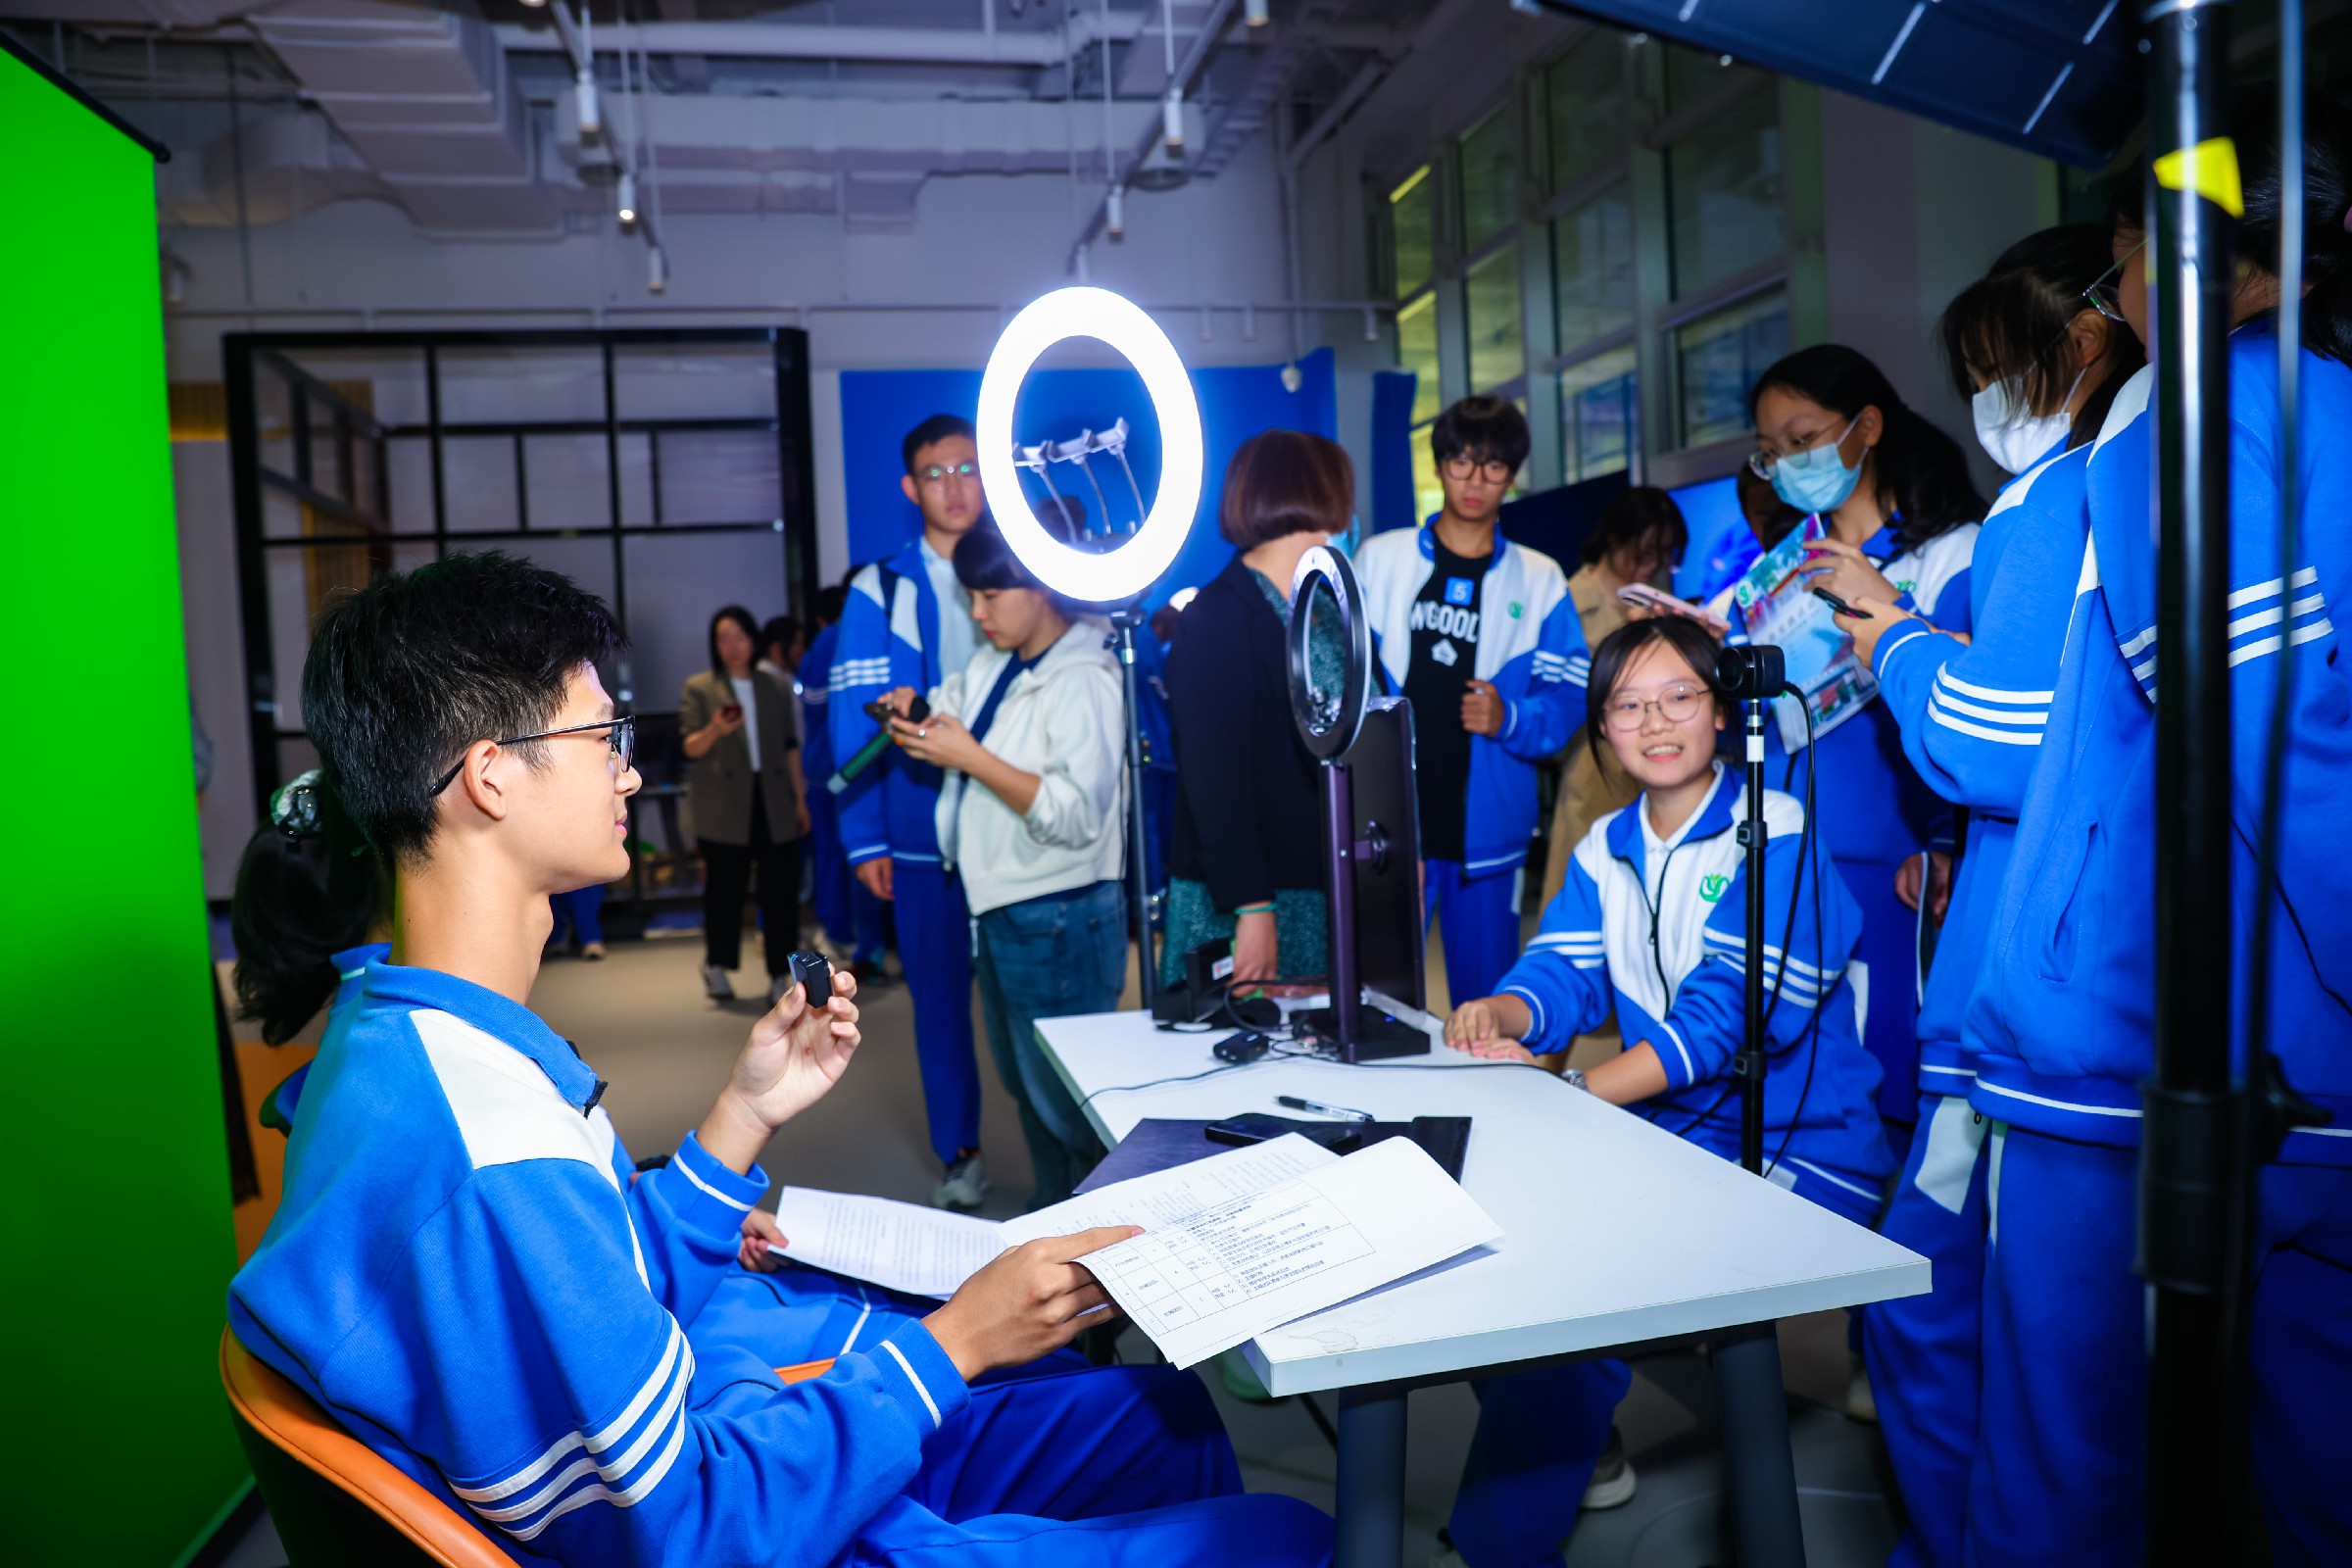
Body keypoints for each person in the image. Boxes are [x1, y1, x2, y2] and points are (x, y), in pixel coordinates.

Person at [227, 549, 1334, 1568]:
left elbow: (611, 1287)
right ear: (491, 778)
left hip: (741, 1466)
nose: (629, 774)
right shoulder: (491, 1150)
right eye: (603, 737)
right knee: (1284, 1536)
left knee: (1160, 1416)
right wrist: (957, 1342)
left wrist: (743, 1115)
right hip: (760, 1517)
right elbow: (699, 1528)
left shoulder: (404, 1042)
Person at [1915, 96, 2352, 1566]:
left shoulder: (2178, 428)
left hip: (2143, 1055)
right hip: (2313, 1071)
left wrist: (1900, 648)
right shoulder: (2329, 408)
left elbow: (2264, 732)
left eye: (2125, 259)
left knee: (2070, 1480)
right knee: (2314, 1484)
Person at [1439, 616, 1890, 1568]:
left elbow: (1726, 1022)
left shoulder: (1779, 829)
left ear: (1721, 711)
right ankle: (1571, 1451)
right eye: (1627, 705)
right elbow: (1564, 973)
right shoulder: (1606, 845)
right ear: (1601, 728)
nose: (1654, 722)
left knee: (1575, 1277)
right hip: (1672, 1126)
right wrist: (1500, 1010)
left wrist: (1574, 1092)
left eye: (1679, 696)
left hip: (1799, 1138)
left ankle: (1500, 1542)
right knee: (1491, 1237)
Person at [1848, 223, 2141, 1568]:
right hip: (2080, 977)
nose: (1982, 398)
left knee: (1964, 1323)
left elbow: (1998, 740)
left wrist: (1900, 645)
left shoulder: (2056, 497)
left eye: (1990, 366)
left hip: (2031, 1004)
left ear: (2080, 339)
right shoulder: (2156, 475)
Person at [1741, 344, 1987, 1133]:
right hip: (1787, 849)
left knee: (1889, 1073)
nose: (1787, 464)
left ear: (1867, 426)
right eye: (1771, 451)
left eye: (1802, 439)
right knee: (1793, 1066)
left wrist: (1945, 840)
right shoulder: (1781, 579)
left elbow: (1975, 710)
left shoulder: (1953, 555)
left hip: (1896, 864)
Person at [882, 519, 1125, 1210]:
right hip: (1004, 909)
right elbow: (953, 717)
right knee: (1032, 1092)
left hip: (1059, 914)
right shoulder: (999, 664)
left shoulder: (1085, 678)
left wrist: (971, 759)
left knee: (1072, 1105)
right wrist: (920, 716)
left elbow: (1075, 816)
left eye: (990, 596)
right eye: (971, 597)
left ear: (1043, 587)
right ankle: (1056, 1231)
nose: (977, 612)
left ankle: (1095, 1245)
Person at [1354, 398, 1591, 1008]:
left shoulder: (1541, 579)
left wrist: (1509, 718)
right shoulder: (1380, 559)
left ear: (1512, 476)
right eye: (1461, 461)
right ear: (1439, 466)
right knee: (1379, 1000)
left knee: (1484, 1010)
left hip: (1489, 834)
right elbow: (1342, 680)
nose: (1475, 480)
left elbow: (1571, 695)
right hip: (1390, 825)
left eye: (1493, 466)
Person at [830, 414, 994, 1210]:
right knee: (940, 1008)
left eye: (967, 469)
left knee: (1038, 1001)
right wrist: (866, 839)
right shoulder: (881, 587)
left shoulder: (1023, 569)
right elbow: (853, 718)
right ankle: (960, 1152)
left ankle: (1071, 1152)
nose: (954, 487)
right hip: (923, 833)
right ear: (910, 487)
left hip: (1013, 825)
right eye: (936, 473)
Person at [1162, 430, 1351, 987]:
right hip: (1249, 897)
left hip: (1319, 882)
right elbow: (1214, 779)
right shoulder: (1217, 618)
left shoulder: (1322, 608)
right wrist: (1253, 906)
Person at [1539, 485, 1689, 911]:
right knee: (1581, 908)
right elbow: (1554, 703)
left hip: (1661, 782)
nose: (1651, 565)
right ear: (1614, 539)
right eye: (1644, 552)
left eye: (1663, 555)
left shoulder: (1660, 603)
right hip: (1593, 777)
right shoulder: (1566, 601)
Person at [681, 606, 809, 1004]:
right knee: (725, 889)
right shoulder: (700, 687)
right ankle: (717, 965)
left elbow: (790, 746)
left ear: (754, 641)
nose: (732, 646)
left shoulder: (774, 687)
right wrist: (716, 729)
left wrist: (800, 798)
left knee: (780, 890)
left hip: (772, 798)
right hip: (724, 803)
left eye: (739, 636)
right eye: (723, 638)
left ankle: (780, 972)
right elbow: (690, 746)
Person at [800, 583, 889, 985]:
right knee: (847, 857)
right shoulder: (840, 637)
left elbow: (812, 701)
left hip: (836, 768)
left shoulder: (829, 639)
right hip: (845, 768)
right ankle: (852, 939)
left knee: (842, 857)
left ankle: (853, 940)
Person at [759, 614, 804, 684]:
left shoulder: (788, 674)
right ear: (776, 647)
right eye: (796, 643)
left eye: (801, 643)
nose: (802, 650)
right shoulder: (763, 676)